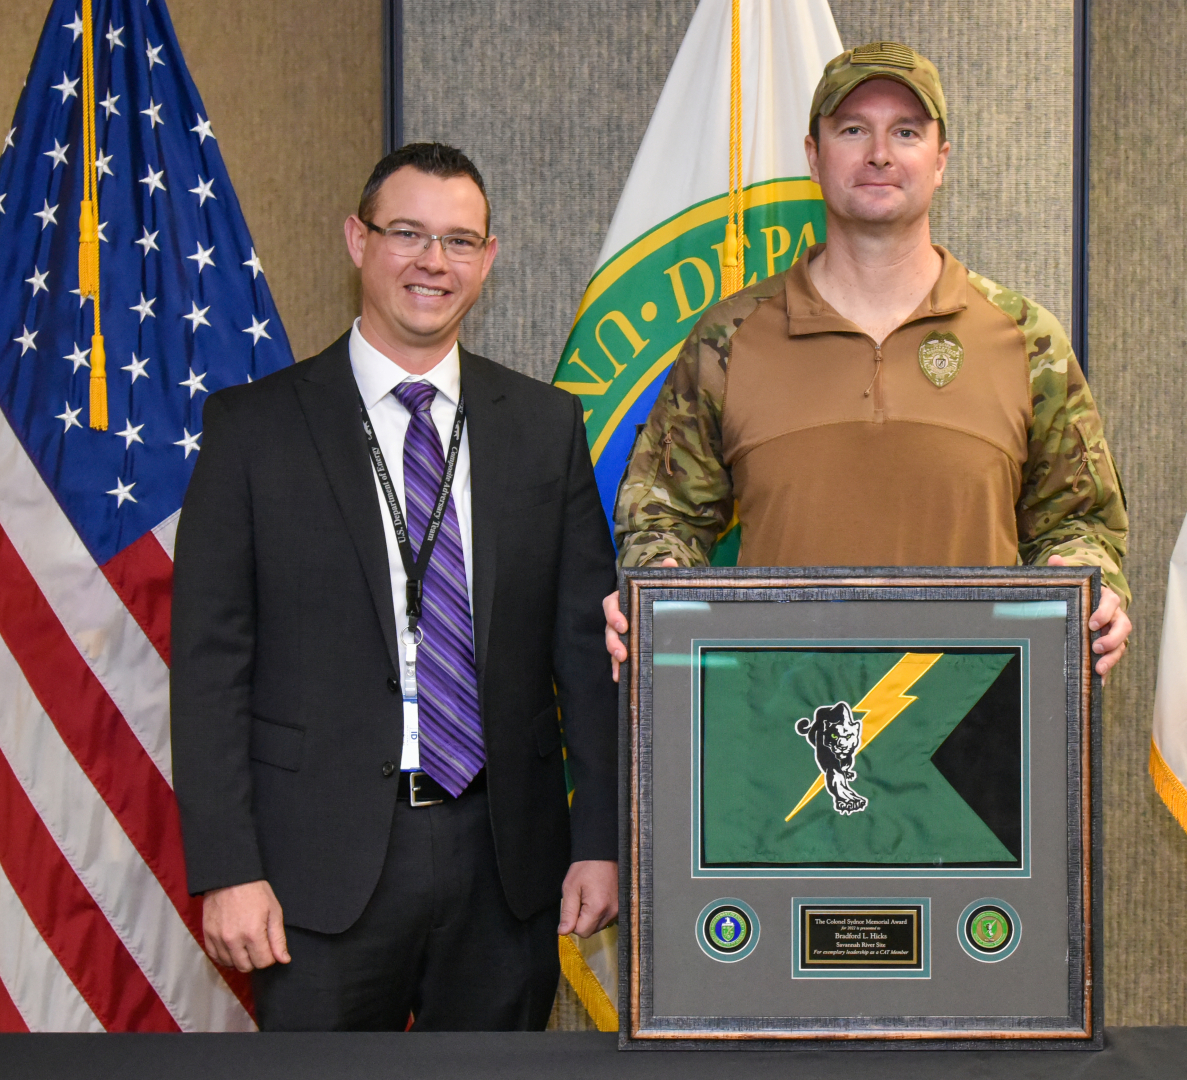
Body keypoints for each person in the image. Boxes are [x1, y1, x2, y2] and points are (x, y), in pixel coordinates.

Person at [171, 142, 618, 1031]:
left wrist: (600, 841)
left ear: (488, 259)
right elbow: (209, 665)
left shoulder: (544, 427)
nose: (432, 262)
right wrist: (228, 867)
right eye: (407, 233)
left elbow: (587, 652)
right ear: (357, 240)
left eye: (459, 241)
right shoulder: (253, 430)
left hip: (508, 869)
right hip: (315, 872)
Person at [604, 42, 1132, 676]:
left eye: (905, 132)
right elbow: (662, 511)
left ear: (940, 161)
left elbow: (1080, 522)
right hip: (781, 736)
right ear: (814, 157)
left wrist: (1086, 580)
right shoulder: (730, 338)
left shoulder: (1026, 340)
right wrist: (659, 579)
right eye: (853, 130)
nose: (880, 153)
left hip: (971, 733)